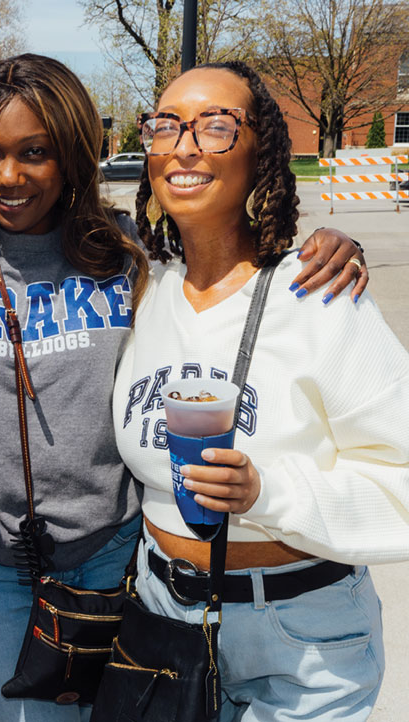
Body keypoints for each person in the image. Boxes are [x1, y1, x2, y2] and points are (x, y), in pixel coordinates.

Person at [0, 53, 367, 722]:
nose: (10, 175)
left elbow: (227, 255)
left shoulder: (131, 249)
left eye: (36, 152)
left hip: (118, 561)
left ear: (73, 155)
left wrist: (329, 244)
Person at [113, 60, 408, 720]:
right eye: (167, 125)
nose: (185, 145)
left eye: (217, 126)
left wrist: (267, 492)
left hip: (300, 637)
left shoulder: (320, 296)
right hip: (162, 620)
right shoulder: (139, 284)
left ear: (262, 152)